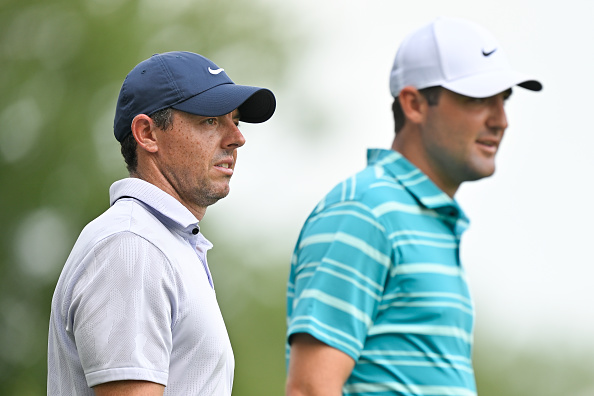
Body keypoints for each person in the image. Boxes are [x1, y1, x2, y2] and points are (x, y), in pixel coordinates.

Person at [285, 17, 541, 396]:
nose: (500, 120)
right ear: (414, 104)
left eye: (503, 100)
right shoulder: (364, 210)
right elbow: (310, 388)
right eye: (478, 99)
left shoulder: (421, 218)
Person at [47, 51, 276, 396]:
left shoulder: (161, 241)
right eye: (210, 121)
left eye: (235, 120)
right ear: (147, 133)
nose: (237, 138)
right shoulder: (130, 246)